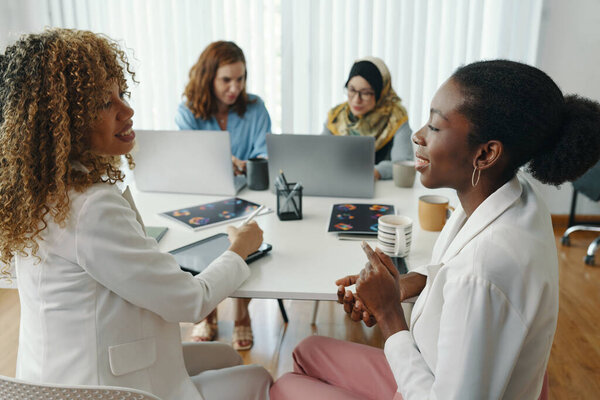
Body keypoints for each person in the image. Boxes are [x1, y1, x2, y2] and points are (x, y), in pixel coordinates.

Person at [271, 60, 600, 399]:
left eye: (436, 127)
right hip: (430, 364)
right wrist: (401, 286)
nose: (418, 136)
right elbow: (450, 271)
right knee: (306, 350)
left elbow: (471, 279)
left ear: (486, 153)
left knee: (283, 387)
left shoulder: (484, 270)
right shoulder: (514, 202)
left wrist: (388, 315)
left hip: (427, 387)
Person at [0, 28, 271, 400]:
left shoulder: (37, 193)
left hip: (53, 377)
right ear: (64, 121)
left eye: (121, 94)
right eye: (102, 103)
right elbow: (190, 302)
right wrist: (240, 249)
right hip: (102, 389)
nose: (127, 111)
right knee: (259, 377)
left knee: (224, 354)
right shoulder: (91, 207)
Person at [175, 41, 271, 349]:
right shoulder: (188, 110)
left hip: (245, 198)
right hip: (203, 196)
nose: (235, 87)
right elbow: (188, 159)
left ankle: (242, 313)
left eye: (240, 79)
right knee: (202, 242)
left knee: (241, 237)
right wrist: (216, 161)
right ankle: (208, 313)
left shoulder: (255, 107)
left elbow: (263, 156)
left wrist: (242, 164)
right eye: (226, 80)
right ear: (208, 77)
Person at [323, 56, 414, 180]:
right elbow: (320, 156)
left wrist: (376, 172)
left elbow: (403, 163)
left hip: (384, 190)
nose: (356, 100)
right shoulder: (336, 117)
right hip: (338, 183)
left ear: (380, 93)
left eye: (365, 93)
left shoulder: (396, 117)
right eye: (352, 90)